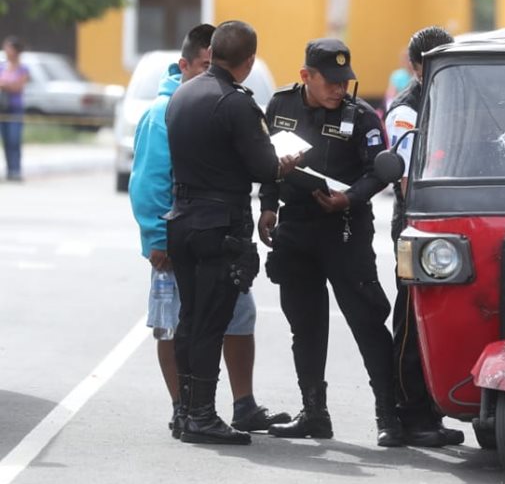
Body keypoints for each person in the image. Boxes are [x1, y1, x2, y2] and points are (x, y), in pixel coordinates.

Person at [261, 38, 458, 448]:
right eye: (329, 81)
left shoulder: (362, 116)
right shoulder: (281, 106)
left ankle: (389, 416)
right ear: (306, 77)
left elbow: (380, 171)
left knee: (367, 321)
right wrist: (267, 206)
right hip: (296, 227)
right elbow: (266, 165)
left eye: (343, 81)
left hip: (345, 229)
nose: (338, 89)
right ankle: (314, 412)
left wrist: (349, 198)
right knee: (305, 325)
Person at [129, 23, 290, 438]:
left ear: (213, 53)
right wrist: (282, 164)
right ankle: (199, 414)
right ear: (248, 61)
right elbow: (262, 167)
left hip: (184, 222)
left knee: (193, 321)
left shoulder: (181, 96)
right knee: (209, 323)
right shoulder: (234, 102)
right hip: (217, 225)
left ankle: (188, 412)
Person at [382, 26, 464, 447]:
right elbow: (407, 180)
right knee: (413, 320)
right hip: (418, 225)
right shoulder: (405, 111)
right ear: (415, 67)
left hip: (452, 226)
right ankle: (410, 412)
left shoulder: (453, 100)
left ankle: (433, 407)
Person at [1, 36, 31, 182]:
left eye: (9, 48)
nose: (6, 51)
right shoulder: (2, 66)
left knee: (14, 139)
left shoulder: (23, 68)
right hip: (2, 109)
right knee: (5, 141)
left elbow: (18, 86)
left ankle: (15, 170)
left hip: (15, 109)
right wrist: (8, 84)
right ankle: (8, 170)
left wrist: (5, 84)